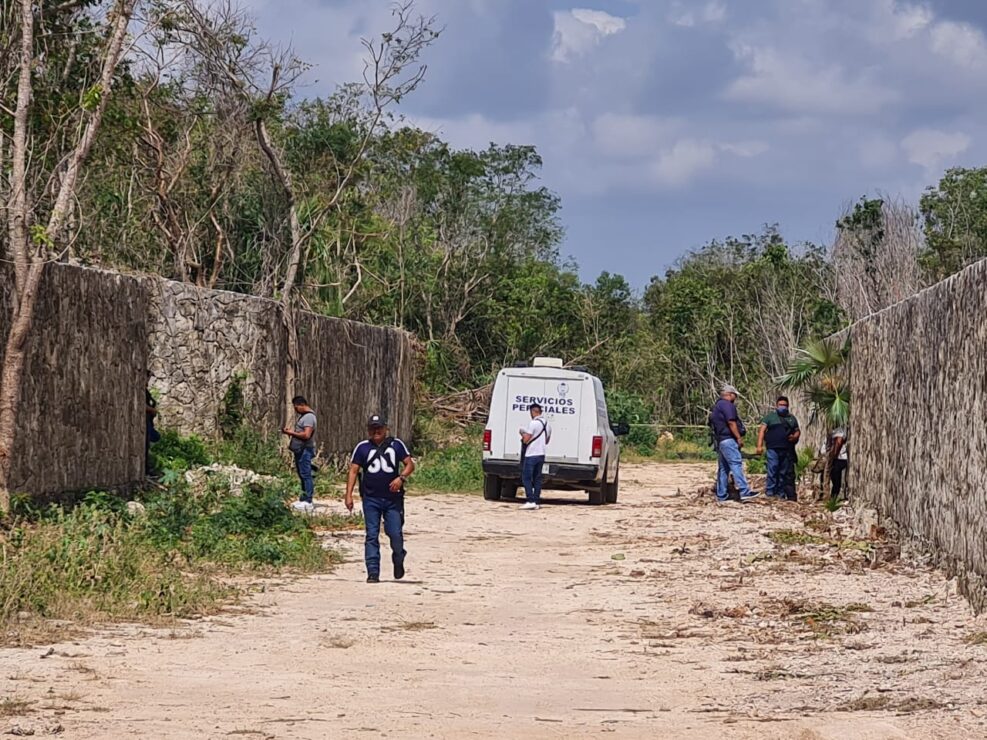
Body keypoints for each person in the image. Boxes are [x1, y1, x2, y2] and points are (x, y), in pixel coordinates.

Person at [346, 415, 416, 583]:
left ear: (386, 429)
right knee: (371, 534)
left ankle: (398, 557)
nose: (376, 431)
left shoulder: (396, 445)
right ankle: (373, 571)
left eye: (379, 428)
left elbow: (410, 464)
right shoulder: (362, 448)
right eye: (372, 428)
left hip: (393, 500)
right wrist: (348, 495)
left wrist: (401, 478)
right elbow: (354, 471)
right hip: (371, 499)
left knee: (395, 534)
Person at [709, 384, 758, 503]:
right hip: (728, 439)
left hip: (720, 440)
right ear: (729, 394)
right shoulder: (727, 405)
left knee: (724, 468)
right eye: (734, 396)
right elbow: (731, 422)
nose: (735, 398)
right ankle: (744, 491)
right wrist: (738, 437)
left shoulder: (717, 406)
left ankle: (721, 495)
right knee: (736, 464)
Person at [756, 395, 800, 500]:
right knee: (773, 469)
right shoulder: (770, 417)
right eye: (780, 405)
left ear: (788, 406)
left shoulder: (791, 418)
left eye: (784, 405)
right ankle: (770, 492)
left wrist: (795, 437)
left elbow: (797, 431)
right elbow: (762, 430)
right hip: (772, 448)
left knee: (783, 472)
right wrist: (759, 445)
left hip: (786, 449)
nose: (782, 407)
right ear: (776, 405)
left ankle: (780, 494)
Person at [282, 396, 317, 512]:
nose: (295, 409)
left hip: (305, 450)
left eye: (296, 407)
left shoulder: (309, 417)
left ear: (302, 405)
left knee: (306, 474)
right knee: (302, 474)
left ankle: (308, 500)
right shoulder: (304, 417)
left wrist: (290, 432)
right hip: (301, 450)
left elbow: (306, 435)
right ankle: (303, 498)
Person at [519, 402, 551, 511]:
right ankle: (536, 500)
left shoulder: (533, 423)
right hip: (541, 454)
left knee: (526, 477)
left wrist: (522, 433)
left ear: (533, 412)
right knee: (537, 478)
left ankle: (530, 500)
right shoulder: (547, 424)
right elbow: (547, 440)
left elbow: (526, 439)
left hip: (531, 453)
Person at [822, 427, 849, 500]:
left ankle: (834, 498)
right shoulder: (830, 431)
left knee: (836, 481)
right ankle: (830, 497)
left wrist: (833, 455)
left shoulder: (839, 430)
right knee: (832, 479)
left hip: (838, 459)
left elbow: (839, 442)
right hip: (832, 459)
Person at [145, 383, 160, 476]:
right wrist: (152, 410)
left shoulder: (146, 392)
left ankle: (147, 467)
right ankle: (146, 469)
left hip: (149, 421)